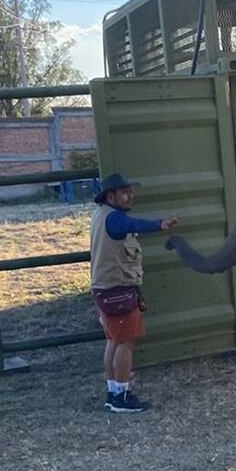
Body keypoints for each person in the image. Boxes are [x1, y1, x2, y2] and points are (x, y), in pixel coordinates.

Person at [90, 172, 178, 413]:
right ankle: (122, 396)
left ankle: (113, 392)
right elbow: (133, 224)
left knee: (114, 341)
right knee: (125, 343)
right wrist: (159, 224)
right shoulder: (116, 219)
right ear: (111, 195)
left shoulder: (100, 215)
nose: (131, 196)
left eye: (130, 191)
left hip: (103, 291)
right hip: (117, 291)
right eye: (125, 192)